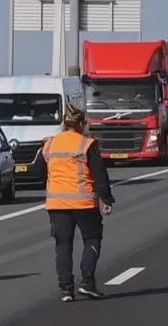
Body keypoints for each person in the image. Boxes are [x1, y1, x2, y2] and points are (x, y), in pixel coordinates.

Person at [44, 102, 115, 301]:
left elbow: (46, 172)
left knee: (63, 244)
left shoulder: (50, 144)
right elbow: (99, 174)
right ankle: (87, 282)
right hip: (83, 203)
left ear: (64, 124)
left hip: (57, 204)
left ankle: (66, 289)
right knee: (92, 239)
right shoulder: (87, 144)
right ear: (81, 124)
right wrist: (106, 199)